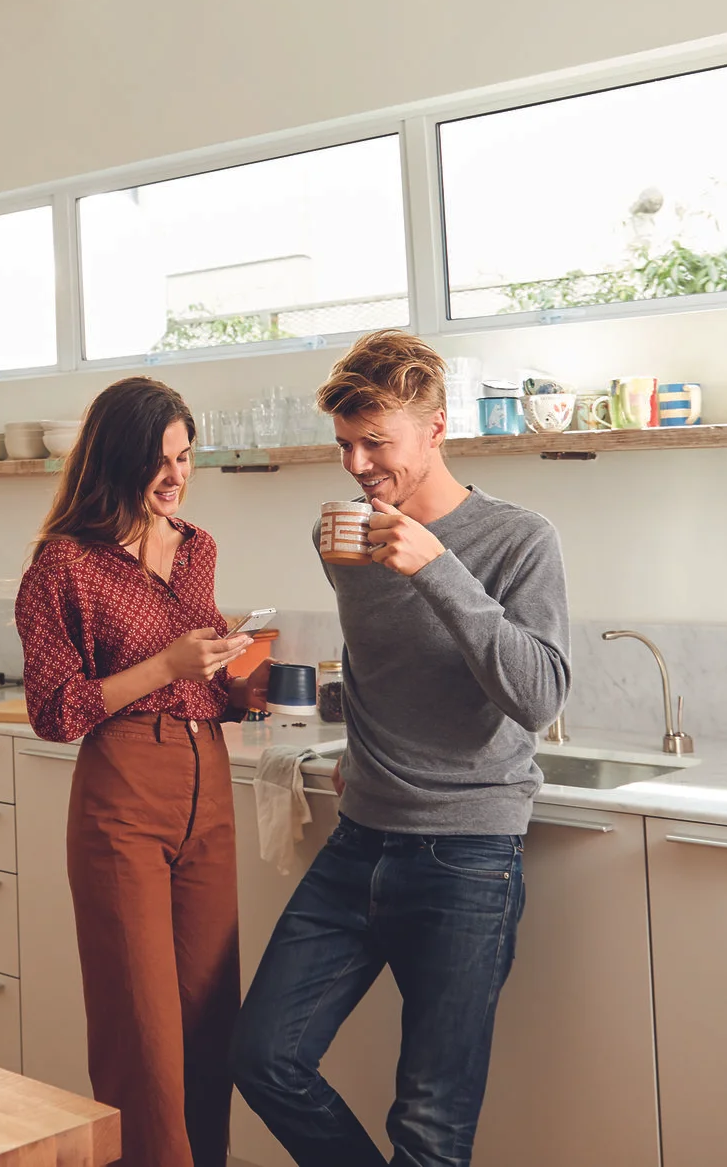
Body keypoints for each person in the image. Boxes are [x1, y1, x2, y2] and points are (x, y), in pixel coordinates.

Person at [232, 331, 570, 1167]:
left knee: (429, 1125)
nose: (357, 464)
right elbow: (378, 664)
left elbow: (539, 694)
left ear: (436, 427)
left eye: (375, 442)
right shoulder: (342, 539)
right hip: (359, 842)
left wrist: (438, 567)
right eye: (344, 443)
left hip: (467, 858)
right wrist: (359, 752)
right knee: (264, 1056)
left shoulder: (520, 539)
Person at [14, 375, 264, 1167]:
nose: (175, 474)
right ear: (116, 458)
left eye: (185, 457)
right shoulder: (63, 567)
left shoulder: (197, 548)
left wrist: (241, 688)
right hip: (123, 794)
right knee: (144, 1043)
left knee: (211, 1027)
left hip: (208, 784)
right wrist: (167, 665)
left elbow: (202, 685)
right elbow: (56, 711)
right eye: (159, 459)